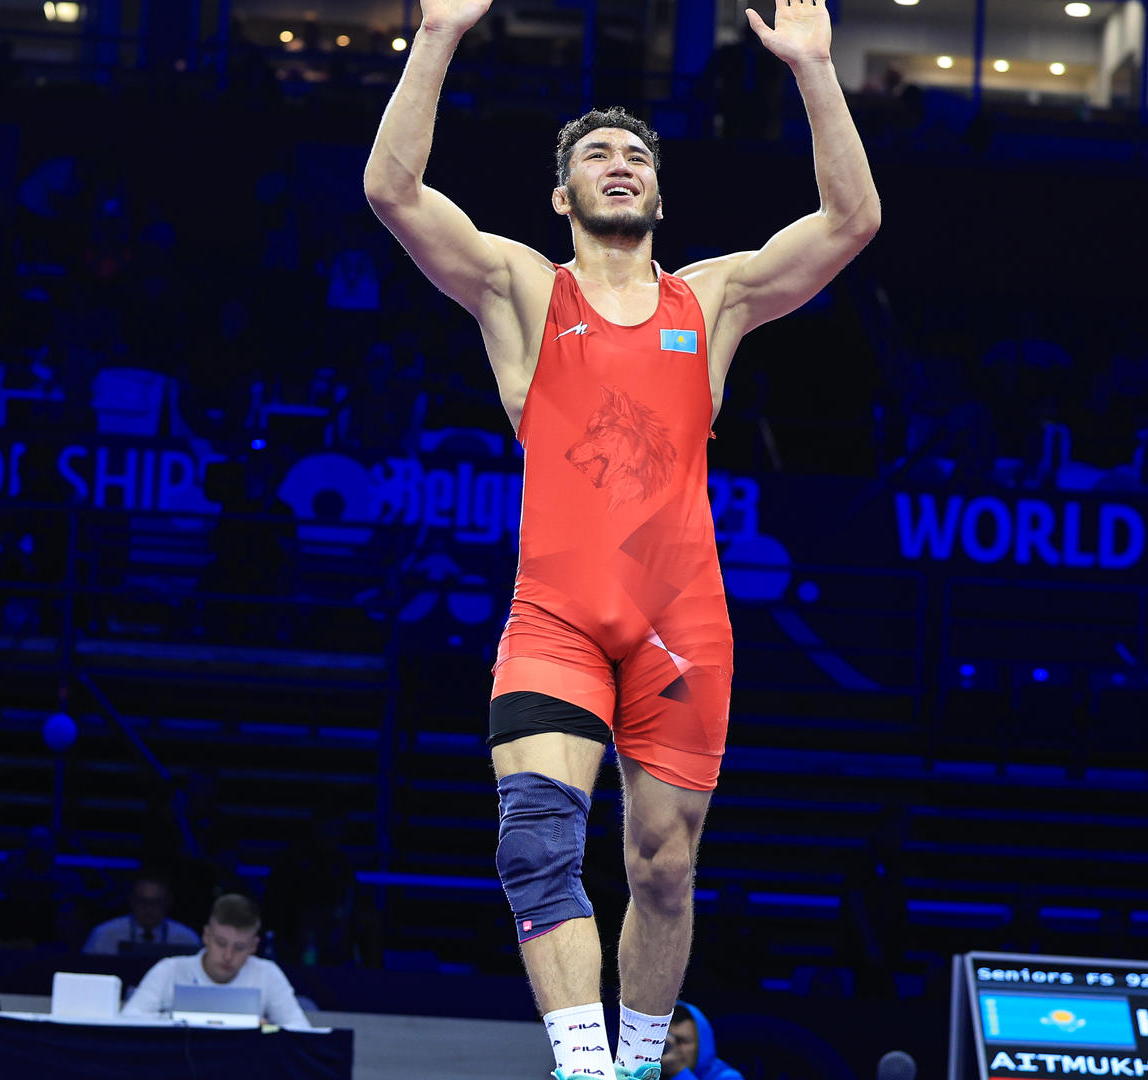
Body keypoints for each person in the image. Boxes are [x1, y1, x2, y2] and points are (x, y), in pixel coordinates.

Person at [363, 0, 878, 1077]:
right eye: (595, 153)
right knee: (535, 847)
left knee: (662, 869)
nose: (618, 162)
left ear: (658, 189)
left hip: (682, 627)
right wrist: (442, 35)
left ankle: (640, 1066)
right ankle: (585, 1069)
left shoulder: (714, 298)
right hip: (552, 620)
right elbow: (392, 192)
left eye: (636, 153)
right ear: (562, 194)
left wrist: (816, 69)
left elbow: (850, 224)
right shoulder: (521, 289)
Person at [120, 893, 310, 1028]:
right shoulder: (170, 970)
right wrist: (174, 1021)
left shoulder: (267, 973)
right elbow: (128, 1021)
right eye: (221, 943)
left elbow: (301, 1030)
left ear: (253, 946)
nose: (228, 955)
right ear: (206, 936)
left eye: (239, 947)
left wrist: (268, 1031)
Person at [80, 871, 200, 955]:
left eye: (156, 902)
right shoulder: (104, 934)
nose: (149, 908)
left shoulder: (186, 939)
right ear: (131, 900)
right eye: (143, 901)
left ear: (168, 902)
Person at [659, 1001, 742, 1080]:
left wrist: (678, 1071)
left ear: (703, 1045)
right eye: (668, 1040)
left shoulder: (728, 1077)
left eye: (681, 1041)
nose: (673, 1047)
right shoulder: (656, 1072)